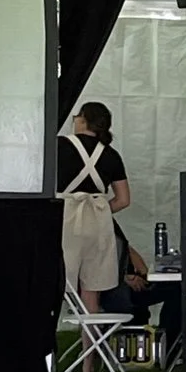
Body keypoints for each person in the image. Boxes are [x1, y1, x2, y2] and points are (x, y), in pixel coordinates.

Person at [57, 102, 130, 317]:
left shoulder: (59, 146)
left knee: (57, 282)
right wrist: (99, 210)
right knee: (92, 291)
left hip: (65, 218)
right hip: (98, 222)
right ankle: (90, 350)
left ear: (82, 119)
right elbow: (123, 199)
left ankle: (48, 348)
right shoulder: (111, 155)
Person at [98, 225, 183, 355]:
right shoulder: (88, 231)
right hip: (113, 292)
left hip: (128, 284)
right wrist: (124, 278)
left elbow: (127, 249)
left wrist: (143, 275)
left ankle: (167, 344)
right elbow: (93, 270)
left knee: (175, 287)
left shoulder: (108, 224)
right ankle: (167, 347)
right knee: (175, 291)